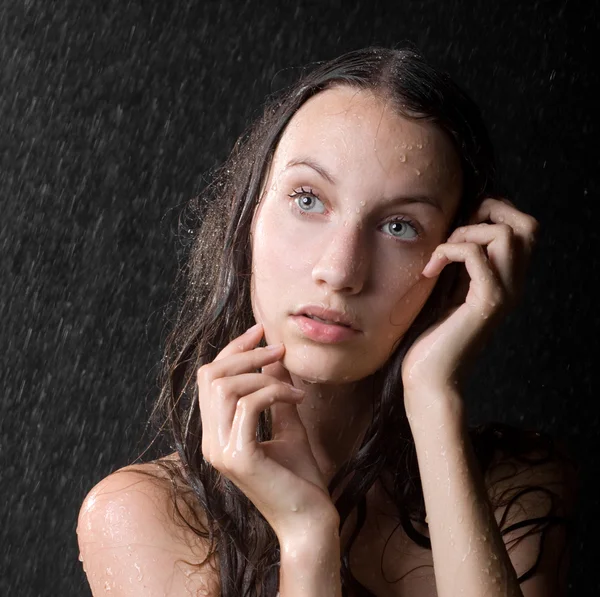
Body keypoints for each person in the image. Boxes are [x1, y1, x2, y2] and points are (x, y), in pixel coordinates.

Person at [76, 46, 578, 597]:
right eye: (308, 199)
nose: (340, 271)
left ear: (457, 261)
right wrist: (308, 540)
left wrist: (433, 393)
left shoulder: (512, 488)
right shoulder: (143, 518)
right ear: (249, 216)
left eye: (400, 227)